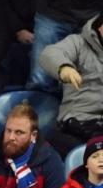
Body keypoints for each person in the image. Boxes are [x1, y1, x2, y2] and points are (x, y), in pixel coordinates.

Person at [38, 13, 103, 158]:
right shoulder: (78, 42)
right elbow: (49, 53)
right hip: (77, 122)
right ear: (99, 27)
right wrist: (64, 68)